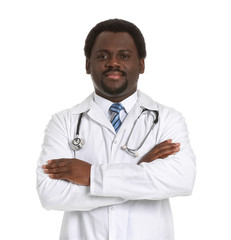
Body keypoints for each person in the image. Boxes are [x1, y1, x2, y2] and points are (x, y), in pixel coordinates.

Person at [37, 19, 196, 240]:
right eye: (102, 56)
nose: (113, 63)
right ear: (87, 65)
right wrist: (139, 170)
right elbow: (50, 195)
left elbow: (181, 180)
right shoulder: (63, 122)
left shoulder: (168, 120)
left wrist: (92, 176)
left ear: (141, 64)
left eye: (124, 55)